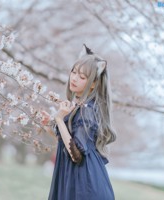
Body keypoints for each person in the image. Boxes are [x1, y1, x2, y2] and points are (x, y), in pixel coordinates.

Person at [42, 44, 116, 200]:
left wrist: (59, 119)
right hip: (75, 177)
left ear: (94, 84)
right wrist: (50, 126)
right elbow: (66, 142)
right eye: (73, 72)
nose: (74, 78)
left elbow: (76, 154)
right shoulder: (79, 106)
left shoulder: (88, 109)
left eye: (82, 77)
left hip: (85, 183)